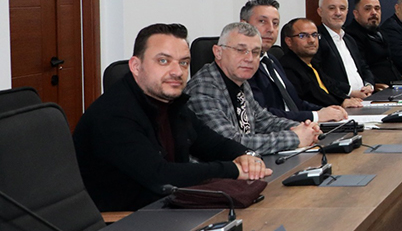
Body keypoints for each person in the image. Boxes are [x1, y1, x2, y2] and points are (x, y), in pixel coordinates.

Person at [74, 23, 271, 212]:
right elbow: (161, 175)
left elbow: (212, 143)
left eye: (184, 63)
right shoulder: (114, 114)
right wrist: (234, 170)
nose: (177, 72)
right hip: (127, 221)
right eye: (163, 61)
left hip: (169, 209)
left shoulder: (170, 103)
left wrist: (246, 156)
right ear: (135, 66)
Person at [186, 22, 320, 155]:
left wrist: (304, 128)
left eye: (256, 52)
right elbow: (230, 143)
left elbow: (264, 120)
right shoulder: (203, 89)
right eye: (241, 50)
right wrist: (295, 137)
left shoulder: (240, 81)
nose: (249, 59)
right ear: (218, 52)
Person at [242, 0, 346, 123]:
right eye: (262, 21)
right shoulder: (242, 64)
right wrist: (315, 116)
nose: (270, 29)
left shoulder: (272, 60)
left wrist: (327, 111)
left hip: (299, 126)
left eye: (275, 23)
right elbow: (262, 114)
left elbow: (295, 103)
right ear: (244, 25)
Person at [280, 18, 361, 109]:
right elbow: (309, 100)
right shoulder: (288, 68)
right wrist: (340, 104)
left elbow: (330, 87)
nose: (312, 40)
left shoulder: (313, 63)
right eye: (303, 36)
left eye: (314, 35)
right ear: (289, 41)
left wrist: (346, 99)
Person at [315, 0, 376, 98]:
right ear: (320, 12)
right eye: (332, 8)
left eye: (342, 8)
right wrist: (350, 92)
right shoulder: (316, 40)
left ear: (347, 12)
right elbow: (320, 76)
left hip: (365, 98)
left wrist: (369, 85)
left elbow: (364, 67)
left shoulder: (349, 39)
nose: (338, 13)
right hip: (341, 100)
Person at [344, 0, 401, 85]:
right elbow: (362, 70)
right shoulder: (351, 36)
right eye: (367, 9)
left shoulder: (380, 32)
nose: (374, 12)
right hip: (378, 89)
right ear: (356, 14)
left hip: (397, 85)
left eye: (377, 8)